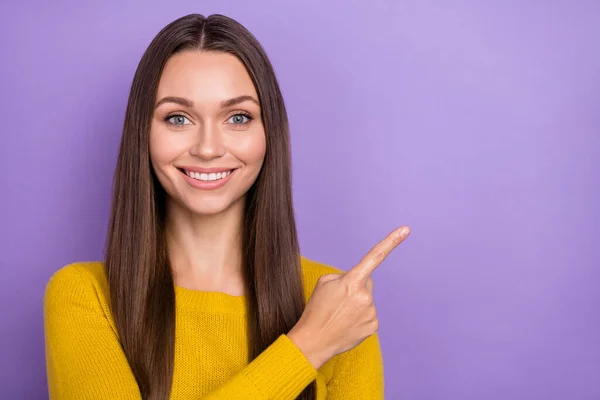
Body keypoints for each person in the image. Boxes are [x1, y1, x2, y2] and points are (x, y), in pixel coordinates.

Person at [43, 13, 410, 400]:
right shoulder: (86, 295)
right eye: (178, 118)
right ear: (143, 133)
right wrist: (308, 346)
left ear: (269, 133)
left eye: (238, 117)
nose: (208, 148)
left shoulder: (339, 303)